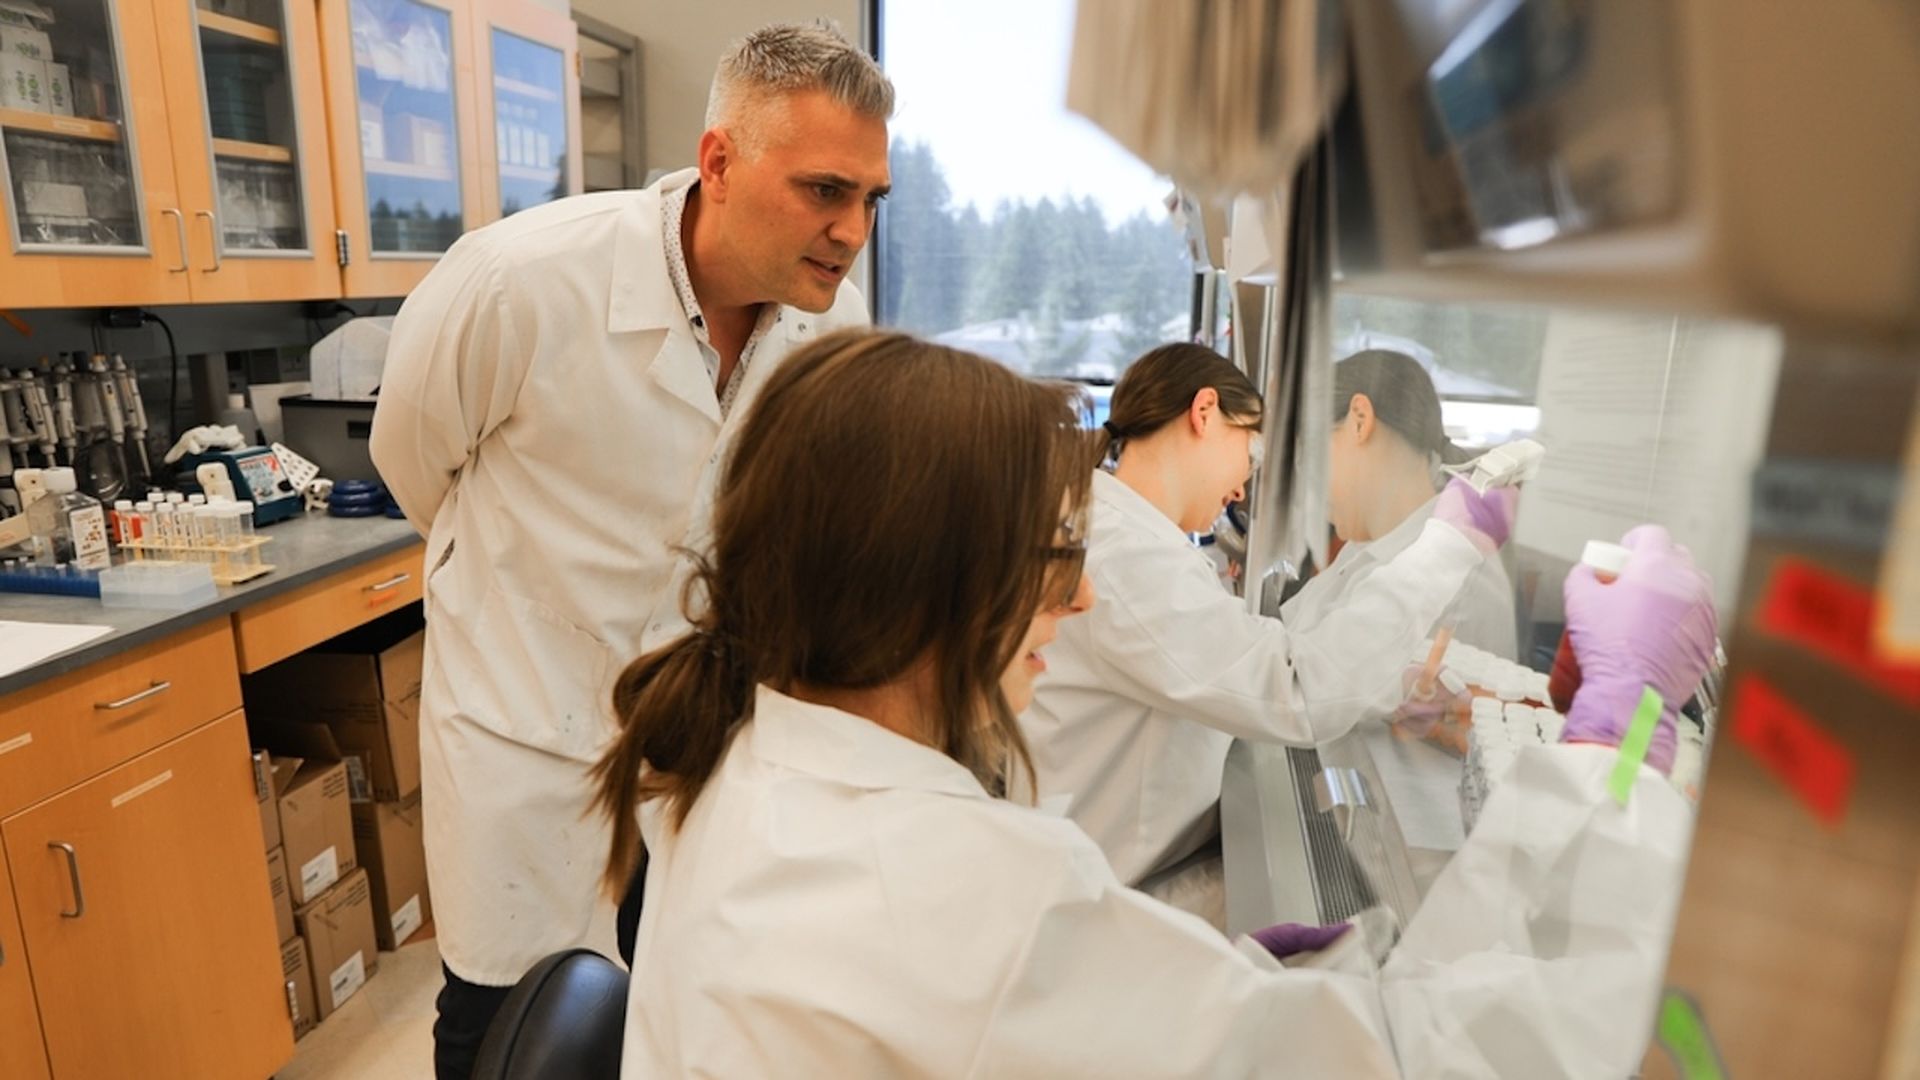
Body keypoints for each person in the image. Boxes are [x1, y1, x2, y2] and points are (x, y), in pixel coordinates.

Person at [591, 329, 1721, 1077]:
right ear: (925, 585)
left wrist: (1211, 992)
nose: (1078, 598)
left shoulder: (737, 762)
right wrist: (1618, 750)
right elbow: (1430, 1058)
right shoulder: (967, 895)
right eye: (1047, 557)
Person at [368, 22, 893, 1078]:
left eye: (871, 199)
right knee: (507, 1028)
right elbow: (413, 462)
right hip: (530, 733)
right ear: (719, 161)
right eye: (825, 190)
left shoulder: (829, 331)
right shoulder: (520, 282)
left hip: (700, 739)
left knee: (671, 1010)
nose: (851, 230)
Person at [1018, 343, 1514, 911]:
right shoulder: (1127, 560)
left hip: (1120, 856)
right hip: (1111, 884)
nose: (1241, 489)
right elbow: (1294, 691)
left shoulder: (1134, 541)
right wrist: (1446, 549)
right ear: (1204, 413)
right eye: (1252, 454)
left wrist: (1394, 690)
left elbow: (1253, 657)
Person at [1278, 348, 1523, 856]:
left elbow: (1318, 690)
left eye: (1307, 453)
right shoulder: (1370, 545)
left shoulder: (1458, 575)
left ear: (1359, 421)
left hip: (1404, 850)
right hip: (1345, 813)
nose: (1306, 484)